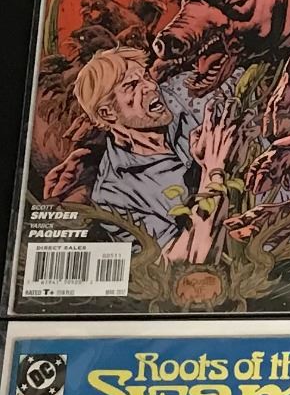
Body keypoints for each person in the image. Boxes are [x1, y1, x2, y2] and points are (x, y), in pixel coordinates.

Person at [60, 46, 236, 262]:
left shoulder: (183, 95)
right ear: (108, 113)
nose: (151, 86)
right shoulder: (113, 195)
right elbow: (179, 263)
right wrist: (213, 171)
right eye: (132, 85)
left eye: (145, 76)